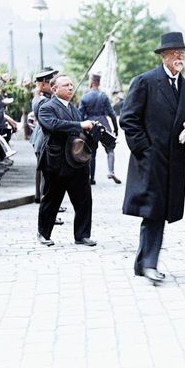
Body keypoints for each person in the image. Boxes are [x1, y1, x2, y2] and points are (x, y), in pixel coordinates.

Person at [120, 32, 185, 283]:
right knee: (153, 211)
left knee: (159, 212)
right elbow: (128, 119)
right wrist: (144, 150)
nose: (179, 56)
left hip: (174, 162)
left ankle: (142, 264)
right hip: (150, 161)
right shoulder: (145, 81)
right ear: (163, 56)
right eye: (174, 52)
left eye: (182, 52)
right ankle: (149, 265)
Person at [36, 74, 97, 247]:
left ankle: (82, 235)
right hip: (56, 162)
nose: (70, 87)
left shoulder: (73, 108)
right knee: (51, 199)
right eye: (66, 85)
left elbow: (82, 131)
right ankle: (43, 233)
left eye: (71, 84)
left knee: (84, 199)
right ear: (54, 89)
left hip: (77, 160)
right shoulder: (46, 107)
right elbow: (53, 125)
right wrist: (80, 125)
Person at [78, 73, 120, 184]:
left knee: (92, 153)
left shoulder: (85, 97)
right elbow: (112, 114)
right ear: (99, 83)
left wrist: (80, 130)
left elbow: (80, 116)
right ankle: (111, 171)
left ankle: (92, 178)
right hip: (104, 125)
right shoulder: (103, 96)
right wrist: (115, 128)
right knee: (110, 149)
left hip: (90, 126)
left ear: (91, 82)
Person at [30, 68, 59, 203]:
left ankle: (39, 197)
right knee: (47, 172)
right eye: (50, 84)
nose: (53, 87)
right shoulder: (43, 100)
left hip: (40, 136)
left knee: (41, 170)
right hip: (43, 137)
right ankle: (45, 200)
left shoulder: (40, 97)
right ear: (42, 85)